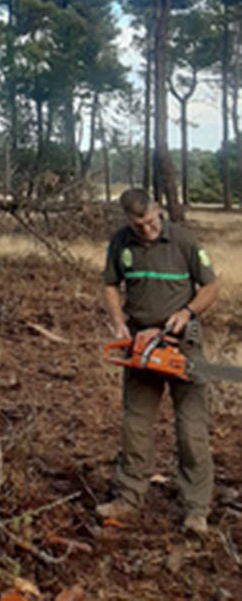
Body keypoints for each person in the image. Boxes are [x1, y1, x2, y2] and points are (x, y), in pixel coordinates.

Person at [98, 188, 218, 535]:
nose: (147, 230)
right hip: (140, 345)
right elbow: (110, 284)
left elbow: (210, 287)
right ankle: (128, 497)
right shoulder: (121, 243)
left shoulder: (184, 240)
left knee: (191, 430)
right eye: (139, 226)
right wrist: (119, 322)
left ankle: (196, 509)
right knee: (135, 425)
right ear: (128, 221)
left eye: (150, 222)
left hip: (183, 345)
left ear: (157, 209)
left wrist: (187, 312)